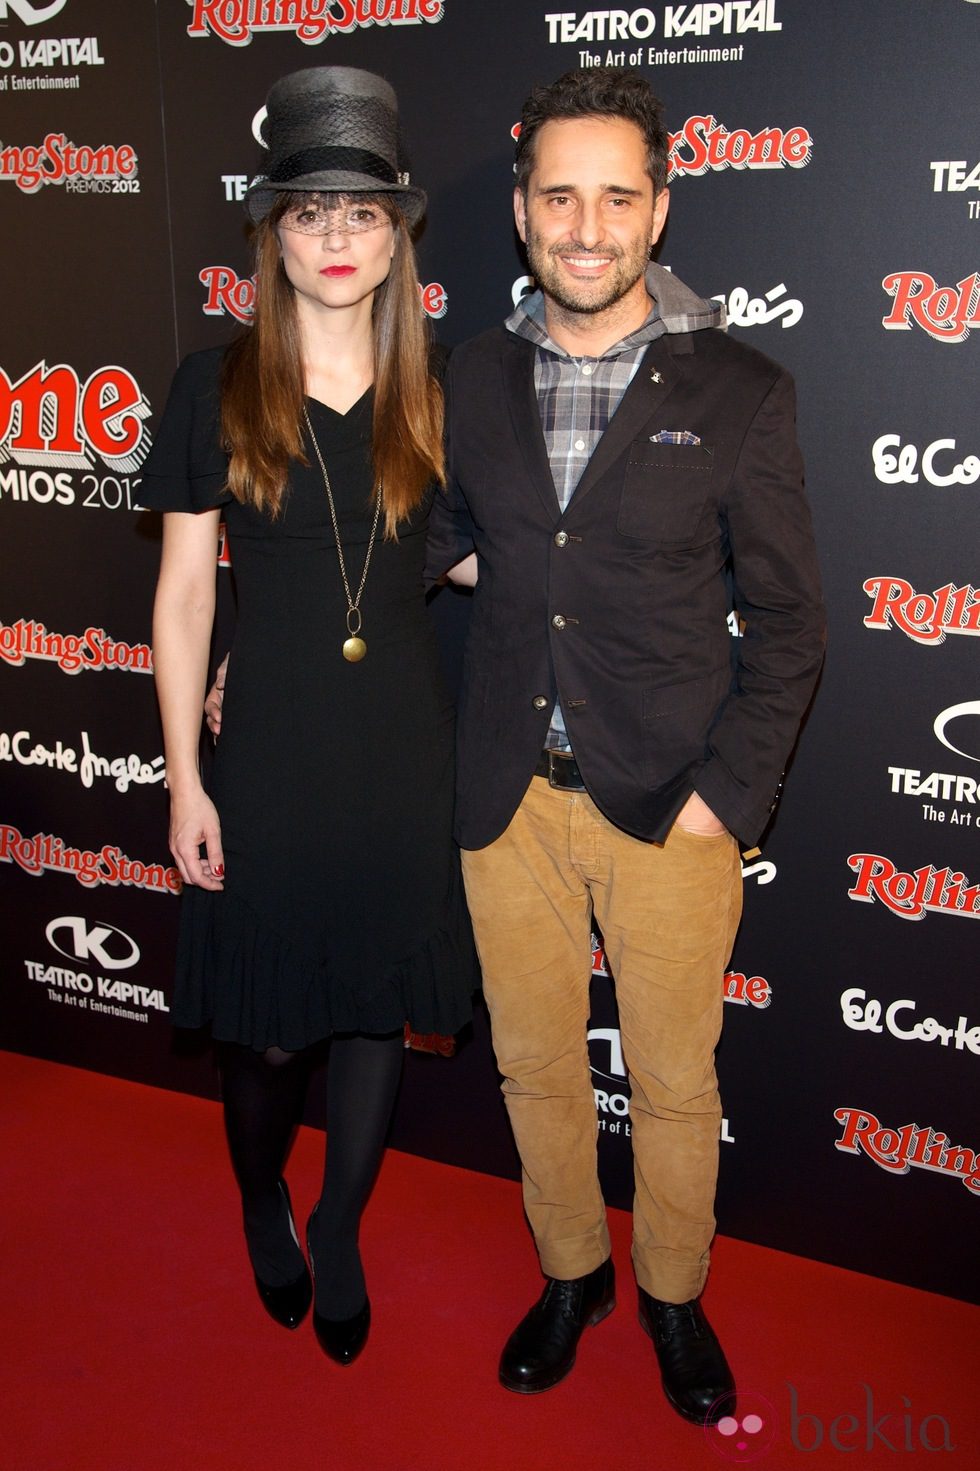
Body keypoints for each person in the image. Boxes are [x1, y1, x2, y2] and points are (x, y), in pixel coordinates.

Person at [424, 69, 825, 1424]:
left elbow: (788, 618)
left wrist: (731, 796)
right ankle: (570, 1271)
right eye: (558, 198)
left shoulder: (744, 385)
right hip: (505, 800)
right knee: (532, 1061)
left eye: (616, 197)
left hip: (673, 802)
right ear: (525, 210)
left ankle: (671, 1289)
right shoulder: (469, 372)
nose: (584, 228)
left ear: (660, 206)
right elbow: (429, 542)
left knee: (670, 1077)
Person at [144, 66, 474, 1368]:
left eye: (361, 213)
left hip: (403, 747)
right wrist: (185, 778)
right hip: (270, 748)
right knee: (272, 1031)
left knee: (375, 1018)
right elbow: (179, 599)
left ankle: (339, 1226)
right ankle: (262, 1195)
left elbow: (471, 562)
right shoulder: (211, 385)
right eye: (308, 213)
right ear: (272, 236)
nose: (336, 238)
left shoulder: (447, 392)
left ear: (398, 236)